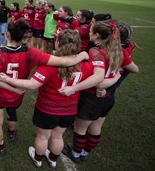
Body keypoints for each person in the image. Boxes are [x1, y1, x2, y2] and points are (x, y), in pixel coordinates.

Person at [0, 20, 89, 156]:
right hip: (18, 95)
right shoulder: (31, 52)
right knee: (12, 112)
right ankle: (12, 132)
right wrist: (82, 55)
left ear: (7, 34)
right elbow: (64, 61)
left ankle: (0, 145)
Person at [0, 30, 97, 168]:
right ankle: (52, 159)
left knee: (43, 137)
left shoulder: (49, 65)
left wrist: (8, 79)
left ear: (58, 43)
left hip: (47, 108)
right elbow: (97, 78)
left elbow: (32, 84)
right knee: (57, 136)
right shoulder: (86, 64)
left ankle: (38, 159)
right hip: (69, 109)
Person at [60, 20, 139, 163]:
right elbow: (135, 69)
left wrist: (74, 87)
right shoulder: (119, 51)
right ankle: (85, 152)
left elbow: (98, 78)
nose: (89, 33)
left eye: (90, 31)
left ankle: (76, 153)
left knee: (80, 128)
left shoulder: (96, 51)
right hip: (108, 98)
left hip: (91, 97)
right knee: (96, 127)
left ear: (97, 35)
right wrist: (117, 75)